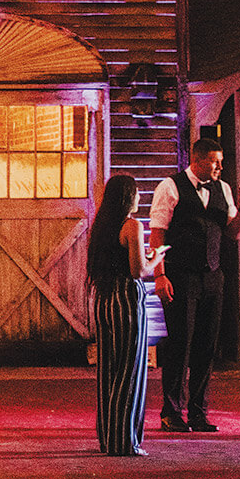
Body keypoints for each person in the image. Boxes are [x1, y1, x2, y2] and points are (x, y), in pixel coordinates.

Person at [148, 138, 240, 434]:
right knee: (180, 343)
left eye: (221, 161)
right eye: (215, 161)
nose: (221, 166)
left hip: (212, 276)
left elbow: (233, 234)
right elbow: (158, 234)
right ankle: (171, 412)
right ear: (197, 160)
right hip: (181, 275)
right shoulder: (170, 187)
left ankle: (198, 412)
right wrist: (160, 275)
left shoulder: (225, 189)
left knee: (207, 346)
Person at [89, 174, 165, 457]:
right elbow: (138, 271)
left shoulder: (102, 226)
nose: (140, 198)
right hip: (126, 301)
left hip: (104, 300)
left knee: (108, 370)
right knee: (129, 369)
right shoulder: (132, 225)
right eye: (136, 193)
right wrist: (156, 258)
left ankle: (108, 437)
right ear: (127, 197)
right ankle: (124, 441)